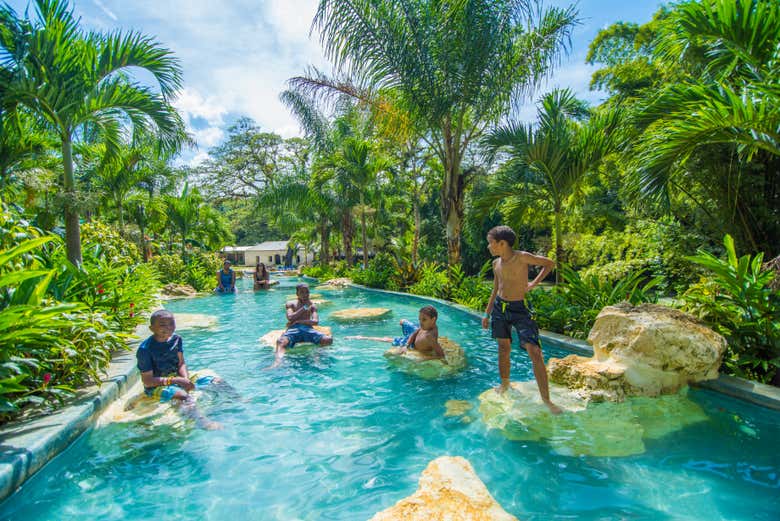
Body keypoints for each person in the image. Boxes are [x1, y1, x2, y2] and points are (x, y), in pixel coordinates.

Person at [482, 225, 562, 415]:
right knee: (503, 349)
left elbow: (549, 263)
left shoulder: (522, 257)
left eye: (491, 243)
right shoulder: (496, 264)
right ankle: (505, 385)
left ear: (502, 243)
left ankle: (547, 400)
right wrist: (487, 313)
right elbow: (496, 289)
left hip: (519, 309)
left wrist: (533, 284)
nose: (489, 247)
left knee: (534, 351)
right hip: (500, 309)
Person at [136, 310, 223, 429]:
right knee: (183, 396)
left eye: (171, 323)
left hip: (177, 376)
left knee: (215, 380)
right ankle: (203, 422)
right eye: (162, 325)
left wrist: (185, 379)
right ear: (151, 328)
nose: (168, 328)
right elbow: (148, 381)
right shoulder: (145, 350)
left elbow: (181, 363)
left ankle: (238, 401)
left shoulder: (176, 339)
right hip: (157, 385)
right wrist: (177, 380)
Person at [347, 306, 447, 361]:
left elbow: (441, 355)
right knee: (402, 321)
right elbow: (416, 332)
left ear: (433, 319)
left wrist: (423, 359)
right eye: (420, 319)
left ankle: (362, 337)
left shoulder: (430, 336)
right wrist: (406, 345)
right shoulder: (426, 326)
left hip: (413, 344)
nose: (421, 322)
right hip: (411, 340)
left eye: (424, 320)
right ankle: (404, 323)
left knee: (387, 340)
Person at [271, 283, 333, 368]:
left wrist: (300, 321)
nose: (305, 295)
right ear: (297, 294)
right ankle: (277, 362)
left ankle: (317, 357)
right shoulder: (291, 304)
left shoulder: (312, 305)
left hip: (308, 329)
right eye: (302, 292)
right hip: (294, 329)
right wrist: (304, 308)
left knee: (328, 339)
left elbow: (315, 321)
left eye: (307, 292)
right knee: (280, 341)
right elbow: (290, 317)